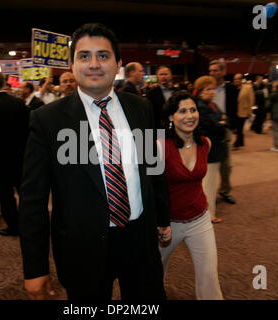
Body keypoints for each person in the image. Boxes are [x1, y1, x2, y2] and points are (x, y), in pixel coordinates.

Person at [19, 23, 171, 301]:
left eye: (103, 56)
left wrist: (162, 216)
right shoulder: (47, 120)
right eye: (84, 56)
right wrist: (35, 267)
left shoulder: (142, 108)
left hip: (139, 238)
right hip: (82, 247)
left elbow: (154, 166)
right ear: (72, 64)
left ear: (118, 64)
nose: (93, 64)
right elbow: (32, 200)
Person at [159, 91, 223, 299]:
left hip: (199, 219)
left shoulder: (206, 143)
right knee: (153, 274)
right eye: (182, 111)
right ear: (171, 117)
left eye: (193, 110)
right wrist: (159, 221)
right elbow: (150, 189)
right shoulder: (159, 146)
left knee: (209, 275)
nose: (189, 115)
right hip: (168, 223)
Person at [0, 71, 30, 236]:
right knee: (25, 193)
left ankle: (13, 226)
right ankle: (30, 223)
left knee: (5, 195)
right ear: (4, 82)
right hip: (21, 156)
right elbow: (27, 131)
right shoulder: (19, 103)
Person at [194, 76, 227, 224]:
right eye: (208, 89)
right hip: (210, 150)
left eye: (213, 89)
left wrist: (222, 122)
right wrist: (222, 122)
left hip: (216, 148)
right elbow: (215, 126)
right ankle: (209, 214)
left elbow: (225, 121)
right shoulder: (201, 106)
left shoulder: (212, 105)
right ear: (200, 91)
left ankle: (207, 212)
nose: (212, 92)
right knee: (209, 184)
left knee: (209, 183)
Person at [208, 60, 238, 205]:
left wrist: (230, 125)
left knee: (227, 165)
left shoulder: (231, 89)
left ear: (223, 72)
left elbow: (234, 109)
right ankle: (208, 192)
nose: (213, 73)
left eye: (216, 70)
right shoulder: (206, 88)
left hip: (225, 129)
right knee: (208, 164)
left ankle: (225, 191)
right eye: (211, 71)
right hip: (208, 129)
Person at [233, 73, 255, 149]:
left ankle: (237, 144)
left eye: (238, 79)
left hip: (243, 111)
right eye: (235, 79)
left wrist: (250, 112)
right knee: (237, 128)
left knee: (239, 128)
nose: (236, 80)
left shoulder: (248, 88)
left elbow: (251, 100)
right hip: (234, 112)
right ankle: (241, 142)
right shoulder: (233, 88)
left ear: (241, 79)